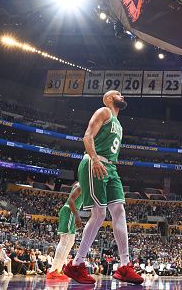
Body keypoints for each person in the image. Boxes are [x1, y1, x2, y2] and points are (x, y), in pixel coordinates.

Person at [63, 90, 143, 285]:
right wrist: (94, 158)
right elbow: (87, 136)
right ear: (108, 98)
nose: (122, 95)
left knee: (119, 210)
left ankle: (125, 265)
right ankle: (77, 263)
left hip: (111, 168)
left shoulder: (119, 124)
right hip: (95, 162)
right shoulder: (104, 112)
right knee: (99, 214)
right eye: (118, 93)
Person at [47, 182, 83, 279]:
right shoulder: (81, 184)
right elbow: (71, 200)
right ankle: (52, 270)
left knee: (70, 242)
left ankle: (59, 269)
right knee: (64, 240)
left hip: (73, 211)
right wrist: (77, 216)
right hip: (69, 211)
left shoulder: (87, 185)